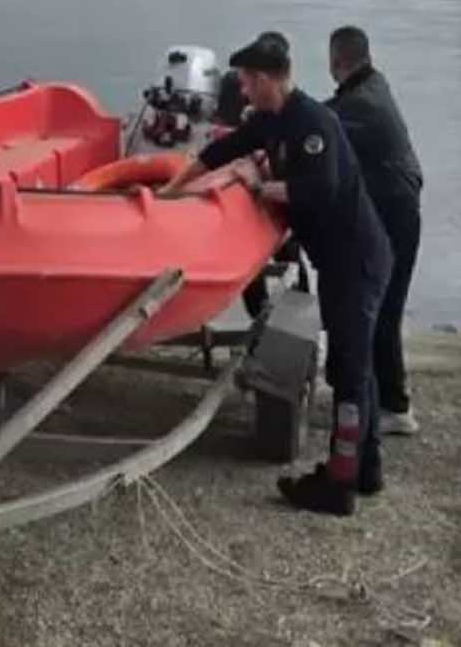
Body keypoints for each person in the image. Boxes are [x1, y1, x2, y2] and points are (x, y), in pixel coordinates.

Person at [161, 35, 392, 515]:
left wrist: (260, 185)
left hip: (356, 261)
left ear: (266, 80)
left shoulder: (313, 124)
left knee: (348, 372)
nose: (241, 91)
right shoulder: (273, 120)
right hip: (342, 260)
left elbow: (319, 189)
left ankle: (338, 485)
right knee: (358, 368)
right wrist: (172, 190)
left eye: (246, 82)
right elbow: (225, 151)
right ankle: (366, 470)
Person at [325, 26, 425, 435]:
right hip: (396, 209)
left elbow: (321, 123)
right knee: (378, 306)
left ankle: (394, 406)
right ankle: (375, 395)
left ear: (338, 61)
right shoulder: (371, 88)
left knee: (382, 308)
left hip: (395, 216)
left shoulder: (364, 104)